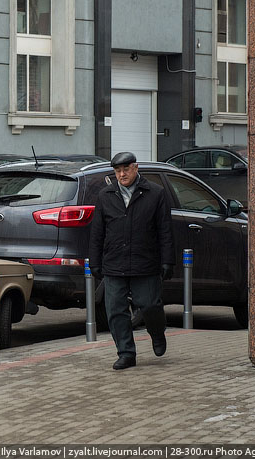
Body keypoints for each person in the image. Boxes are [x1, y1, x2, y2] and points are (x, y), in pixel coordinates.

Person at [89, 151, 175, 370]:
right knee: (115, 309)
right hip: (114, 262)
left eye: (126, 169)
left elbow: (165, 231)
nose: (122, 174)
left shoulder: (155, 193)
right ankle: (126, 353)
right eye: (118, 171)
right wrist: (94, 260)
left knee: (149, 305)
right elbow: (97, 232)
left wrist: (168, 261)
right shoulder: (105, 195)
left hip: (145, 262)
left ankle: (157, 333)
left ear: (136, 168)